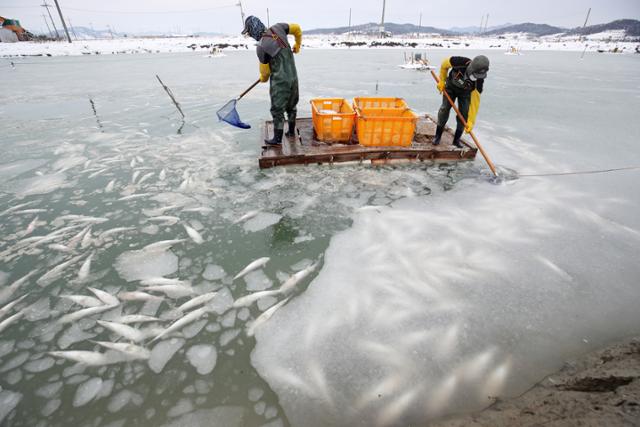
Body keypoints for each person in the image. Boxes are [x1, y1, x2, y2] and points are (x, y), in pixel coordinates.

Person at [242, 15, 302, 145]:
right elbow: (297, 28)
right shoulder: (279, 27)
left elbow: (265, 74)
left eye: (249, 32)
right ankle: (291, 131)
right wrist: (297, 44)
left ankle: (277, 139)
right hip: (293, 77)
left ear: (253, 30)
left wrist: (262, 78)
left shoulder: (261, 47)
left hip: (280, 82)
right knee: (292, 106)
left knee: (277, 109)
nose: (251, 35)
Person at [433, 55, 489, 148]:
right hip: (450, 88)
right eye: (475, 75)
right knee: (444, 109)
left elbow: (475, 103)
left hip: (465, 93)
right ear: (471, 68)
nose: (476, 77)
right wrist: (442, 81)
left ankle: (456, 140)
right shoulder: (459, 62)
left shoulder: (479, 82)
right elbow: (444, 65)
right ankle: (437, 136)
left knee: (464, 115)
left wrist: (471, 121)